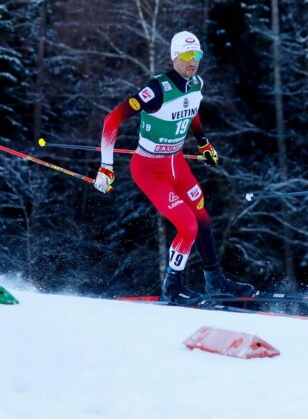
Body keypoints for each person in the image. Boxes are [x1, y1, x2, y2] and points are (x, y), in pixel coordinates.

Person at [93, 31, 253, 305]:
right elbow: (112, 119)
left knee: (201, 215)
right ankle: (173, 287)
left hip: (176, 163)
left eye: (198, 55)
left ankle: (215, 281)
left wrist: (203, 143)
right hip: (149, 168)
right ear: (175, 56)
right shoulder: (155, 89)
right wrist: (106, 167)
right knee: (188, 225)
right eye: (188, 55)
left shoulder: (196, 84)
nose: (194, 61)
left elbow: (191, 112)